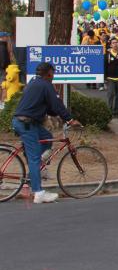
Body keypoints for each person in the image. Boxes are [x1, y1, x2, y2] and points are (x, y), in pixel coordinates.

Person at [12, 63, 81, 204]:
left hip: (25, 121)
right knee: (34, 158)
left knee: (47, 138)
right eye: (53, 73)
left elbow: (48, 106)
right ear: (49, 73)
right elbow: (56, 104)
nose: (53, 75)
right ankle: (38, 193)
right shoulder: (46, 84)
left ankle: (37, 169)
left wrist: (56, 114)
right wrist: (70, 119)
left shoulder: (34, 81)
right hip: (26, 123)